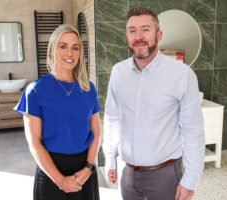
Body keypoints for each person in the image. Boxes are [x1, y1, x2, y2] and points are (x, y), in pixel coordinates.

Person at [103, 7, 205, 200]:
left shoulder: (182, 75)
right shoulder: (118, 72)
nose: (138, 36)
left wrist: (190, 180)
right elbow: (112, 119)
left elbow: (193, 131)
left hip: (165, 176)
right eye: (132, 30)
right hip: (128, 174)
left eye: (145, 29)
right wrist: (110, 159)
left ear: (158, 34)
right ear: (126, 36)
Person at [14, 24, 101, 200]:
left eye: (75, 48)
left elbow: (96, 131)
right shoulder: (36, 91)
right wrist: (60, 180)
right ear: (52, 51)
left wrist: (88, 168)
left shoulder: (88, 88)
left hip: (84, 170)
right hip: (50, 171)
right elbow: (34, 143)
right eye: (63, 46)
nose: (70, 53)